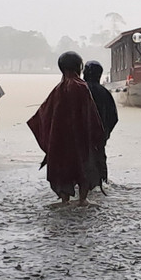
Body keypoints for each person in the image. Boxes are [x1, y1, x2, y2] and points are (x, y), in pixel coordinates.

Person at [27, 51, 105, 206]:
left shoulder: (58, 90)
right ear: (79, 67)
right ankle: (83, 199)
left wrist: (49, 139)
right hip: (80, 140)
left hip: (59, 140)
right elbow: (91, 115)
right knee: (83, 168)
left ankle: (64, 200)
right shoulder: (82, 87)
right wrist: (98, 136)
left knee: (62, 170)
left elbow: (42, 116)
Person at [83, 60, 119, 183]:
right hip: (99, 139)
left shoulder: (79, 90)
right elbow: (114, 117)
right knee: (100, 169)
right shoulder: (105, 93)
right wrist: (105, 134)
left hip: (79, 140)